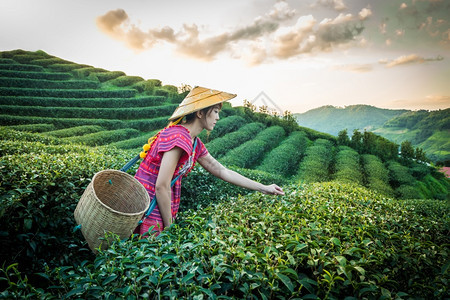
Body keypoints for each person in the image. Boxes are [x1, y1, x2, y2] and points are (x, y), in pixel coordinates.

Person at [134, 86, 284, 235]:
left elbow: (222, 171)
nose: (218, 118)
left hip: (157, 207)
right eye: (216, 112)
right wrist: (169, 229)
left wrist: (264, 188)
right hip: (147, 208)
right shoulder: (178, 137)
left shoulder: (194, 143)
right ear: (200, 113)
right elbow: (161, 186)